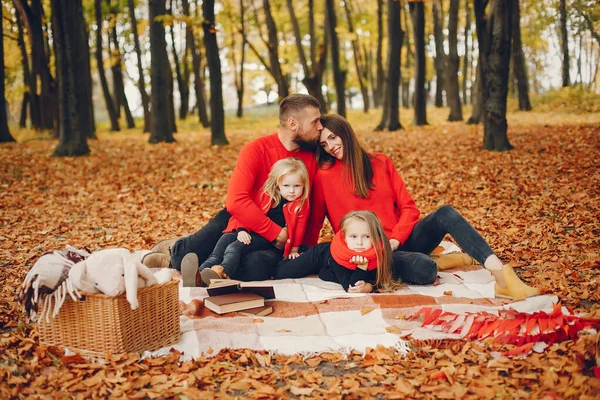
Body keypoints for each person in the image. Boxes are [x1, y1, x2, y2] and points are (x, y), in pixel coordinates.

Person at [277, 114, 539, 300]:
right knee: (425, 269)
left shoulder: (380, 163)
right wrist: (299, 249)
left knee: (445, 213)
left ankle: (501, 275)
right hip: (372, 254)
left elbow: (409, 210)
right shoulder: (324, 175)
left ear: (346, 132)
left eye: (333, 137)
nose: (331, 146)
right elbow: (315, 222)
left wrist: (395, 240)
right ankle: (442, 260)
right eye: (324, 144)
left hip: (399, 241)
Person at [143, 94, 323, 287]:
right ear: (293, 124)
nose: (320, 127)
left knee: (257, 267)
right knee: (185, 256)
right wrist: (274, 232)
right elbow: (236, 201)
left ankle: (214, 271)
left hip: (275, 235)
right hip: (240, 219)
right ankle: (173, 251)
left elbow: (314, 208)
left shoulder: (314, 158)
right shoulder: (256, 149)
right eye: (315, 122)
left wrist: (304, 249)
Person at [198, 158, 310, 286]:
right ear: (277, 184)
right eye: (286, 186)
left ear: (304, 185)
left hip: (270, 242)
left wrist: (294, 250)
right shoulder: (265, 195)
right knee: (226, 238)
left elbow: (300, 228)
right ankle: (201, 272)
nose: (291, 191)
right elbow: (247, 214)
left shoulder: (300, 205)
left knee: (235, 246)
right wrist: (242, 230)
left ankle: (223, 271)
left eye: (297, 186)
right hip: (253, 232)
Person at [281, 210, 396, 293]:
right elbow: (350, 287)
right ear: (345, 238)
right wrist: (362, 268)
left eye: (366, 237)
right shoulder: (339, 253)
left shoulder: (380, 253)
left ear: (376, 237)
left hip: (327, 268)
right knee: (282, 273)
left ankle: (304, 251)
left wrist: (370, 287)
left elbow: (379, 279)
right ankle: (296, 252)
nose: (359, 242)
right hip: (321, 256)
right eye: (353, 236)